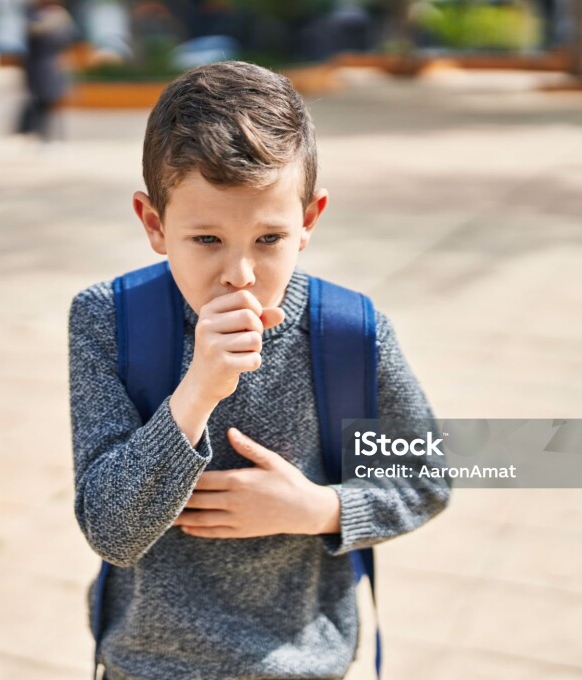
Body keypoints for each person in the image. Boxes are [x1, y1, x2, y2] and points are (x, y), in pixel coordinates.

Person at [68, 60, 451, 679]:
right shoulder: (106, 321)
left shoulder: (351, 332)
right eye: (207, 240)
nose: (240, 274)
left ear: (309, 222)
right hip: (147, 665)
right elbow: (112, 531)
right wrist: (195, 394)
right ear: (154, 224)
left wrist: (321, 510)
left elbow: (426, 478)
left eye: (269, 239)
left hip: (303, 665)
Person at [18, 0, 76, 144]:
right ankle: (43, 135)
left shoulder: (52, 18)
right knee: (43, 102)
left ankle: (45, 136)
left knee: (46, 102)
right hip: (43, 66)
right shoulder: (44, 18)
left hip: (47, 66)